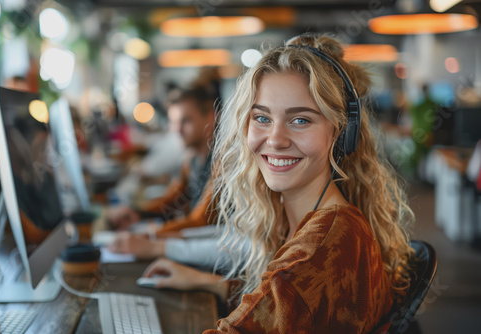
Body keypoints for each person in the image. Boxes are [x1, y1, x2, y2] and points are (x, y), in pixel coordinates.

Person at [142, 33, 415, 333]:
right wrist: (209, 282)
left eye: (300, 120)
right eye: (261, 118)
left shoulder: (325, 243)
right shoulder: (314, 223)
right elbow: (286, 303)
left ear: (340, 132)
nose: (275, 139)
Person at [108, 85, 216, 247]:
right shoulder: (191, 160)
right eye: (173, 122)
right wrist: (136, 213)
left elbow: (201, 220)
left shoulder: (222, 161)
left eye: (185, 121)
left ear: (209, 117)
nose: (177, 130)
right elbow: (172, 201)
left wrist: (150, 235)